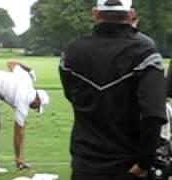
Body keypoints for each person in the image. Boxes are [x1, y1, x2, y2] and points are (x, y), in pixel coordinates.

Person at [59, 0, 167, 179]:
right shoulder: (145, 52)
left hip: (85, 163)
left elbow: (72, 96)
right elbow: (154, 114)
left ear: (95, 13)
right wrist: (143, 163)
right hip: (128, 165)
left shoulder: (72, 51)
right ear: (131, 14)